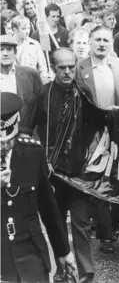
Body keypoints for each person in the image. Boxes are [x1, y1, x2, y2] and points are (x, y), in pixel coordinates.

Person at [18, 48, 94, 282]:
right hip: (52, 172)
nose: (68, 72)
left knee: (81, 222)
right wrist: (38, 159)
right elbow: (25, 130)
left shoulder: (84, 92)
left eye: (72, 67)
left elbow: (96, 126)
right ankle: (62, 269)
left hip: (80, 170)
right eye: (62, 68)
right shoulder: (43, 94)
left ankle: (86, 271)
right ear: (53, 68)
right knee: (57, 222)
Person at [1, 92, 77, 283]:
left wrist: (63, 252)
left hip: (30, 252)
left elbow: (48, 206)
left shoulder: (33, 153)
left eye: (8, 140)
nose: (4, 147)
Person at [76, 26, 119, 252]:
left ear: (111, 43)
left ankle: (114, 225)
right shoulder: (79, 67)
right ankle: (105, 235)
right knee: (97, 181)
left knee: (117, 180)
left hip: (118, 132)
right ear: (89, 42)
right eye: (97, 40)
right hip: (91, 134)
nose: (102, 44)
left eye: (106, 40)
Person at [0, 35, 42, 118]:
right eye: (1, 50)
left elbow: (41, 104)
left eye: (9, 49)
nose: (5, 54)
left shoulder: (30, 74)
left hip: (24, 127)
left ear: (15, 52)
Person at [11, 15, 49, 84]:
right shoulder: (6, 45)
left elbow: (42, 68)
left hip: (32, 85)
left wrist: (45, 86)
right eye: (23, 28)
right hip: (13, 85)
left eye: (28, 28)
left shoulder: (34, 44)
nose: (27, 31)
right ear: (15, 30)